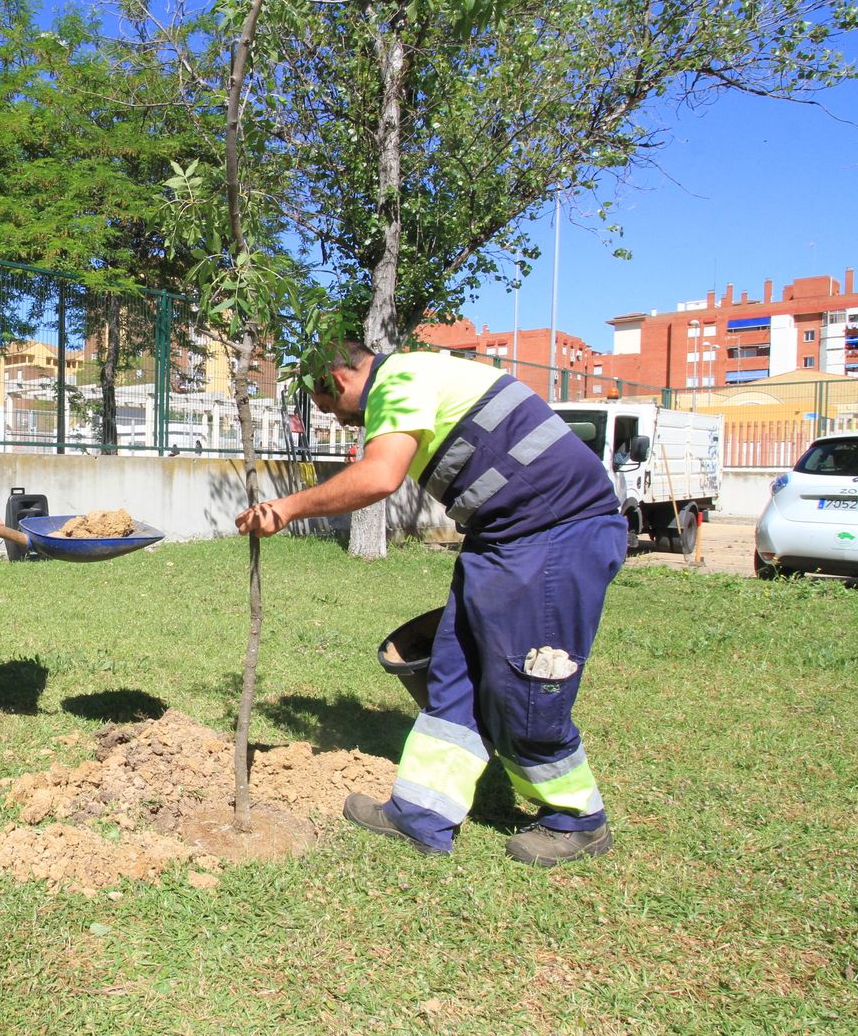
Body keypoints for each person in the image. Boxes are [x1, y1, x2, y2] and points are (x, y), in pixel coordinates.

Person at [236, 340, 625, 867]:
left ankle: (576, 818)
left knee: (525, 681)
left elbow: (379, 476)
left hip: (556, 536)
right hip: (505, 537)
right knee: (454, 670)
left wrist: (286, 508)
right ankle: (421, 813)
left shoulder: (398, 381)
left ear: (339, 378)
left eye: (329, 407)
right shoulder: (413, 379)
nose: (344, 421)